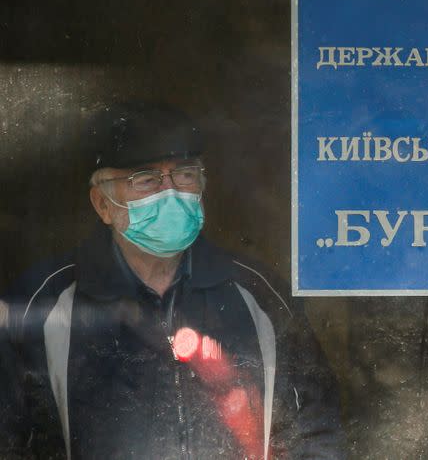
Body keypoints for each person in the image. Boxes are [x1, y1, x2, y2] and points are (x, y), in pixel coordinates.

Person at [0, 102, 344, 459]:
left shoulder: (259, 295)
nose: (170, 193)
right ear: (102, 204)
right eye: (146, 179)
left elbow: (316, 430)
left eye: (184, 175)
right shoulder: (39, 306)